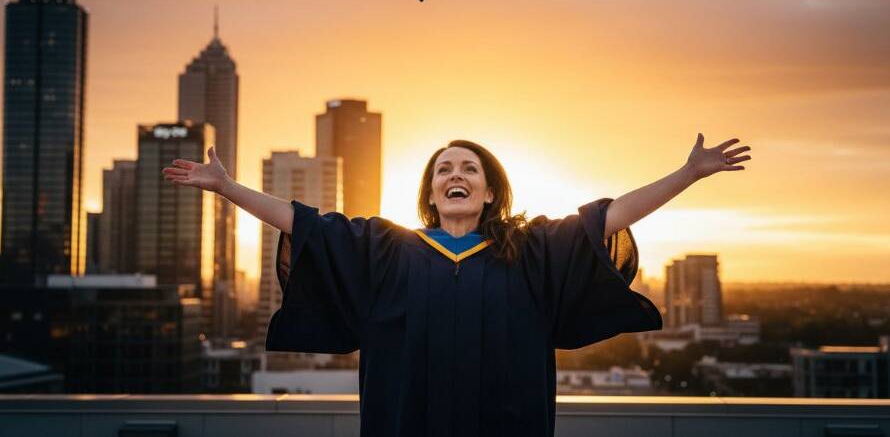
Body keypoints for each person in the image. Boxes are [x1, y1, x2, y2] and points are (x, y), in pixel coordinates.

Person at [162, 134, 750, 436]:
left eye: (469, 168)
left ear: (490, 192)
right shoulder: (387, 251)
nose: (456, 174)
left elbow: (608, 219)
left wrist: (688, 174)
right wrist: (228, 188)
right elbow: (307, 225)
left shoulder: (531, 251)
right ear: (432, 192)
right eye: (444, 168)